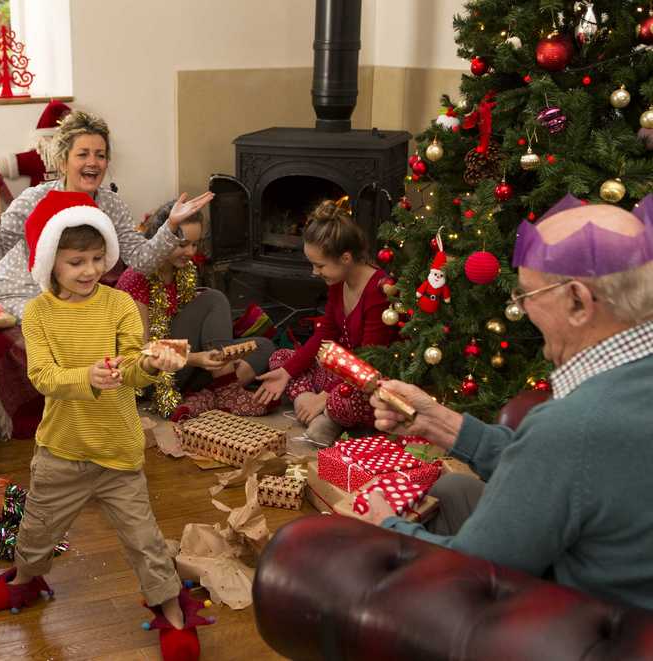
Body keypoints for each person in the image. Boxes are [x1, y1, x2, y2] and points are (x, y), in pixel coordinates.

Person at [361, 195, 653, 610]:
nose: (521, 307)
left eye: (527, 294)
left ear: (577, 301)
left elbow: (474, 575)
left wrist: (383, 528)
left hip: (582, 629)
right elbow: (569, 474)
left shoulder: (573, 425)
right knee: (452, 488)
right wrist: (441, 424)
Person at [0, 191, 212, 660]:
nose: (90, 270)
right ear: (51, 263)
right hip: (62, 448)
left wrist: (153, 365)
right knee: (37, 529)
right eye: (77, 261)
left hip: (117, 448)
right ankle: (23, 582)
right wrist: (89, 377)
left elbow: (134, 371)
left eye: (98, 259)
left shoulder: (118, 305)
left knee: (145, 540)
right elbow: (43, 377)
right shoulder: (38, 313)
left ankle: (172, 612)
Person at [0, 109, 213, 321]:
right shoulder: (34, 199)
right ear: (63, 162)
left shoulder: (111, 204)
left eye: (100, 154)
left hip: (73, 294)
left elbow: (142, 261)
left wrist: (170, 225)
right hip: (22, 292)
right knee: (69, 326)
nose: (93, 162)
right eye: (83, 154)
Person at [253, 199, 397, 445]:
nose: (314, 272)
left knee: (356, 399)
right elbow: (325, 335)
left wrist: (326, 396)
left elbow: (369, 361)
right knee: (281, 359)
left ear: (346, 258)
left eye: (319, 265)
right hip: (340, 370)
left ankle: (326, 413)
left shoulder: (379, 290)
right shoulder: (338, 281)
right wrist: (287, 373)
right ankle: (311, 407)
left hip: (367, 379)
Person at [116, 200, 276, 419]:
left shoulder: (182, 271)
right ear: (163, 238)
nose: (191, 252)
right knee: (213, 298)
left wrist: (203, 357)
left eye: (195, 244)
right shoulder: (137, 277)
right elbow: (143, 350)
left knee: (264, 347)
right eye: (182, 244)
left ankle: (207, 396)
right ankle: (225, 391)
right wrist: (197, 358)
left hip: (188, 366)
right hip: (155, 376)